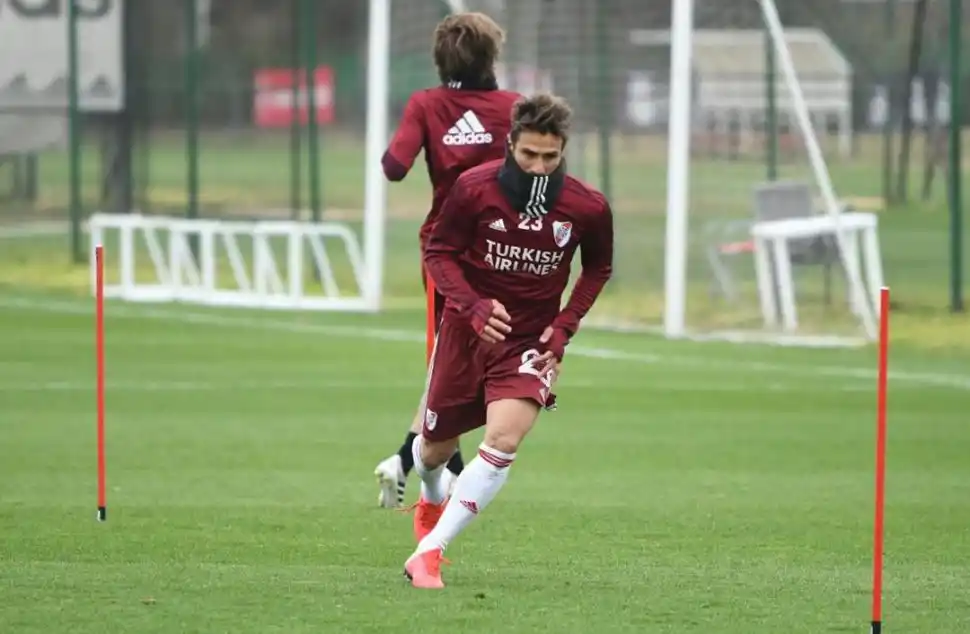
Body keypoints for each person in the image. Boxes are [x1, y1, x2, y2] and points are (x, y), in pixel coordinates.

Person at [401, 92, 614, 588]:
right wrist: (472, 306)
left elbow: (598, 267)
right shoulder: (473, 190)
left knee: (502, 441)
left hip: (530, 341)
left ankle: (429, 553)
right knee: (432, 452)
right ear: (510, 145)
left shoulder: (586, 206)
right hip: (465, 334)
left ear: (564, 152)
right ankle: (432, 497)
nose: (540, 166)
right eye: (529, 155)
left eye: (551, 157)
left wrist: (564, 327)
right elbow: (440, 253)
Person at [373, 11, 521, 509]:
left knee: (448, 364)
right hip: (505, 253)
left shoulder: (427, 104)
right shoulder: (512, 108)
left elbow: (394, 167)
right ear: (490, 57)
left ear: (440, 61)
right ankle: (428, 466)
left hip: (445, 254)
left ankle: (408, 460)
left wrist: (435, 131)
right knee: (469, 368)